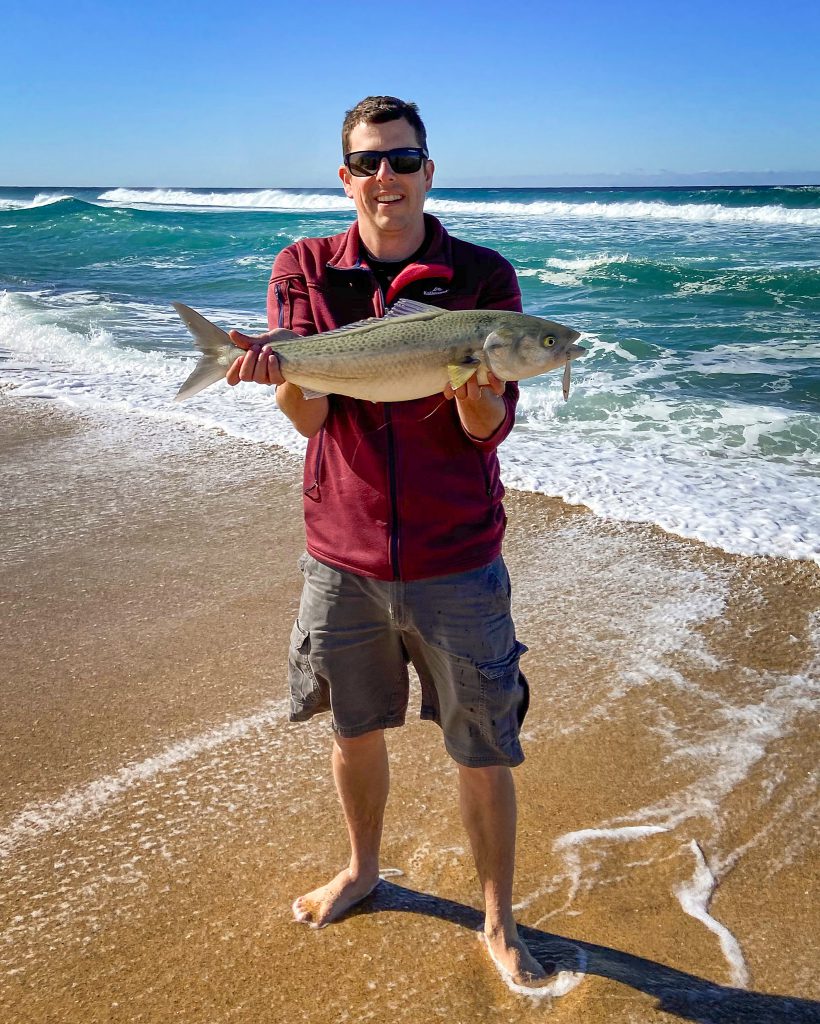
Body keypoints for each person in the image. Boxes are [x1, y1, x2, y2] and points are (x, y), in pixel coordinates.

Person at [226, 96, 549, 987]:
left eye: (403, 161)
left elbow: (488, 430)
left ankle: (497, 919)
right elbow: (311, 418)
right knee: (355, 728)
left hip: (459, 558)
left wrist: (478, 393)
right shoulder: (304, 268)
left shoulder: (484, 277)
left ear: (429, 172)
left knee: (483, 746)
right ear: (346, 178)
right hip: (343, 557)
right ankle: (365, 870)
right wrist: (281, 375)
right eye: (369, 163)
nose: (387, 179)